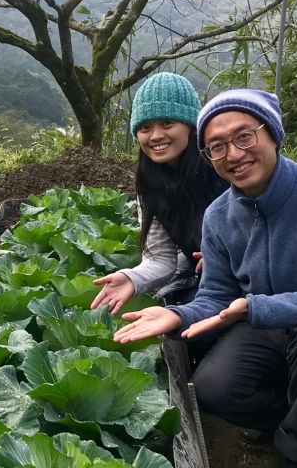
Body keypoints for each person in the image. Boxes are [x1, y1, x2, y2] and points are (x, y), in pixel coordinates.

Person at [113, 88, 297, 468]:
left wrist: (256, 306)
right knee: (212, 387)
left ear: (272, 135)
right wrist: (180, 315)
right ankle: (293, 416)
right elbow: (215, 295)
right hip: (265, 325)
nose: (234, 154)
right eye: (217, 147)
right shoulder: (221, 217)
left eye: (245, 137)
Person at [91, 72, 227, 315]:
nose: (155, 136)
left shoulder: (222, 168)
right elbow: (161, 259)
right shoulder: (149, 183)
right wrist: (131, 278)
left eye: (167, 123)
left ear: (190, 126)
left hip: (252, 277)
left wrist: (228, 256)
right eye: (145, 127)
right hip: (203, 280)